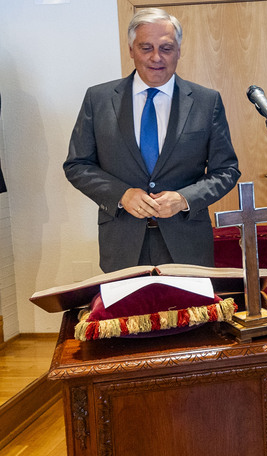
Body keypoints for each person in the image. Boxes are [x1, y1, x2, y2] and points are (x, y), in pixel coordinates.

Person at [64, 8, 240, 273]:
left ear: (179, 50)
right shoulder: (98, 99)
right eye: (146, 48)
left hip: (188, 245)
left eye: (166, 48)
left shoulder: (206, 102)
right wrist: (121, 195)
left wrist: (183, 198)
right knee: (127, 315)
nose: (156, 57)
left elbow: (226, 170)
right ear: (131, 50)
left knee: (191, 315)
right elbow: (77, 165)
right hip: (122, 244)